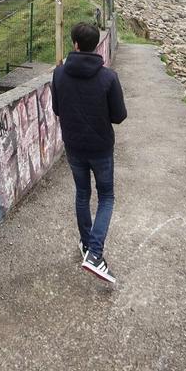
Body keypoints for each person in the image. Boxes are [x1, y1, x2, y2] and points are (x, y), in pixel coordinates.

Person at [51, 21, 127, 283]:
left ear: (74, 44)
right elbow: (119, 116)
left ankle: (86, 245)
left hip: (74, 146)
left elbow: (57, 109)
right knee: (106, 196)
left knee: (82, 194)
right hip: (101, 148)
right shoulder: (108, 77)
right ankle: (95, 254)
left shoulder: (59, 74)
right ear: (96, 46)